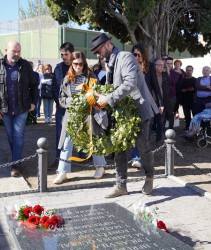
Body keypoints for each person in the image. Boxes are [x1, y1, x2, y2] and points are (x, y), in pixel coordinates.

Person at [90, 33, 158, 198]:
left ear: (107, 45)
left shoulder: (125, 57)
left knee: (142, 146)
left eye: (98, 51)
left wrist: (108, 99)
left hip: (139, 110)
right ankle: (121, 185)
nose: (98, 55)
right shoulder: (109, 62)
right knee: (119, 148)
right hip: (121, 113)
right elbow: (111, 86)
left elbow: (130, 83)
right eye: (96, 53)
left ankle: (149, 177)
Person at [53, 51, 106, 184]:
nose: (78, 66)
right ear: (71, 63)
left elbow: (98, 94)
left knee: (94, 139)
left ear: (84, 63)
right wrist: (74, 101)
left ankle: (100, 167)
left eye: (81, 63)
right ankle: (63, 171)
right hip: (71, 116)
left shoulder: (91, 77)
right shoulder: (66, 79)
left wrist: (90, 99)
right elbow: (61, 99)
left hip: (89, 114)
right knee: (67, 143)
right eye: (75, 63)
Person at [0, 40, 38, 177]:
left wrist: (34, 102)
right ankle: (17, 159)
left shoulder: (25, 65)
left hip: (22, 109)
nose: (16, 54)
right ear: (6, 50)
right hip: (5, 110)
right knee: (11, 137)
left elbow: (34, 85)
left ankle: (15, 164)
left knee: (18, 135)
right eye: (13, 51)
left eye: (18, 51)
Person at [131, 44, 163, 164]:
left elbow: (155, 85)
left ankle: (142, 155)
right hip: (132, 101)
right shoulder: (129, 65)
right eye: (134, 54)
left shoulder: (150, 67)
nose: (136, 57)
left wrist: (160, 103)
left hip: (146, 102)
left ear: (143, 55)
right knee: (134, 130)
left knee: (146, 130)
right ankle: (135, 156)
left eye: (138, 55)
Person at [48, 42, 74, 170]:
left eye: (66, 54)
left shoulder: (78, 66)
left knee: (77, 134)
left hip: (75, 109)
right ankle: (58, 160)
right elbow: (54, 87)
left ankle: (82, 156)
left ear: (72, 54)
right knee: (59, 134)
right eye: (62, 54)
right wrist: (59, 102)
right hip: (61, 108)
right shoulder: (58, 68)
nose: (64, 57)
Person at [151, 58, 170, 145]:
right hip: (151, 102)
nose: (161, 67)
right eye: (159, 65)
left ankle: (159, 139)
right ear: (154, 66)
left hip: (161, 103)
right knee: (150, 122)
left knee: (161, 122)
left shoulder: (165, 75)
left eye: (162, 65)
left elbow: (168, 87)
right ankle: (147, 140)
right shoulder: (150, 75)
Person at [177, 65, 196, 131]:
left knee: (195, 115)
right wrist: (182, 90)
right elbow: (178, 89)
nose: (189, 72)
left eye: (190, 70)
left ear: (192, 71)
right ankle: (187, 127)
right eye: (187, 70)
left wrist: (193, 89)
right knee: (187, 116)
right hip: (185, 101)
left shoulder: (195, 80)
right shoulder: (182, 80)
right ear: (185, 71)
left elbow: (197, 89)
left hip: (193, 101)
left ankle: (194, 128)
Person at [164, 57, 180, 129]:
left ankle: (170, 129)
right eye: (168, 63)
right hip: (163, 96)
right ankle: (161, 130)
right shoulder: (161, 72)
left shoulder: (175, 74)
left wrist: (168, 73)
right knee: (162, 114)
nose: (169, 65)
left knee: (170, 114)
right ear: (165, 63)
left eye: (170, 63)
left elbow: (173, 83)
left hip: (171, 96)